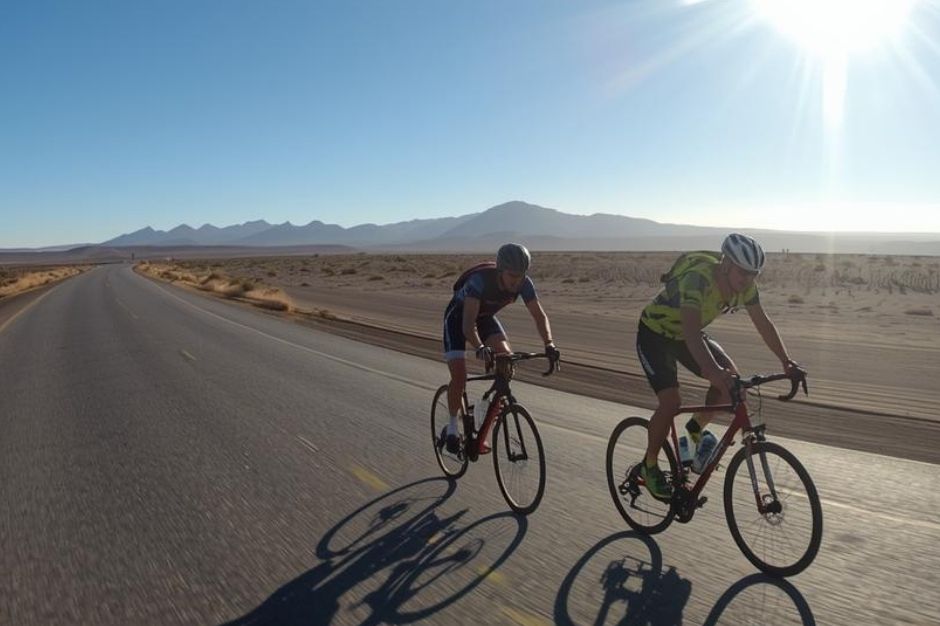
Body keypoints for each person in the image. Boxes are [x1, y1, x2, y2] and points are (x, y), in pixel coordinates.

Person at [635, 233, 802, 500]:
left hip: (684, 336)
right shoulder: (698, 279)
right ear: (726, 264)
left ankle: (692, 435)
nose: (747, 279)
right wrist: (714, 373)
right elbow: (691, 332)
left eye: (753, 274)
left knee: (730, 384)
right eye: (742, 272)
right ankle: (650, 465)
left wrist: (786, 361)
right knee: (671, 402)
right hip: (655, 334)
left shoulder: (746, 287)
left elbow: (763, 323)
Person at [441, 243, 559, 453]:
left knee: (506, 360)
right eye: (512, 275)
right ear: (500, 271)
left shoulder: (524, 283)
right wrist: (480, 347)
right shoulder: (479, 282)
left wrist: (549, 344)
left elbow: (539, 316)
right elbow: (468, 326)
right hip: (459, 319)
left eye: (521, 275)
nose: (517, 281)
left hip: (485, 318)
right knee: (459, 376)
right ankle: (451, 427)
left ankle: (484, 422)